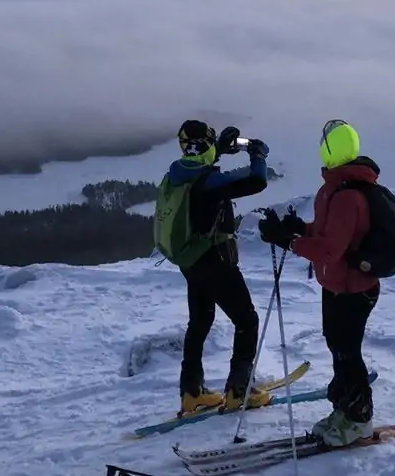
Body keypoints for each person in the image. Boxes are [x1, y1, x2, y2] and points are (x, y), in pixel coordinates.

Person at [259, 119, 381, 447]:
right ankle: (344, 410)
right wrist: (298, 228)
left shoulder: (346, 196)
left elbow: (329, 250)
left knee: (347, 352)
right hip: (338, 286)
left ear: (329, 149)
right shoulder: (336, 190)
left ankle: (359, 419)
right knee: (338, 348)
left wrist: (287, 242)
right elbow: (329, 235)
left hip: (354, 289)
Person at [158, 119, 272, 416]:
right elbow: (256, 180)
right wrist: (258, 154)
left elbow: (199, 166)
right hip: (215, 260)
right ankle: (239, 391)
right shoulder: (208, 182)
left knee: (199, 322)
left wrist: (218, 149)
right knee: (246, 320)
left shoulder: (177, 174)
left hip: (190, 260)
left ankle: (191, 393)